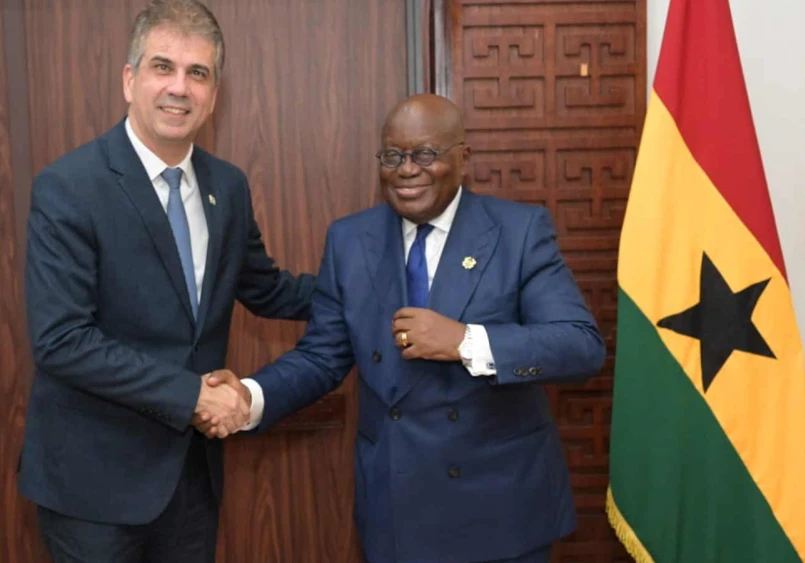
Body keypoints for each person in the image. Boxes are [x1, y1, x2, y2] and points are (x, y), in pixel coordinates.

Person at [209, 94, 606, 563]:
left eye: (425, 154)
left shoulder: (518, 232)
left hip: (499, 510)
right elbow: (322, 356)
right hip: (398, 509)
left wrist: (465, 340)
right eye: (393, 156)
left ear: (463, 158)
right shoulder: (350, 240)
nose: (406, 169)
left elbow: (580, 346)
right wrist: (249, 397)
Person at [17, 1, 315, 561]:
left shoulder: (226, 187)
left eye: (197, 73)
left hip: (190, 483)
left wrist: (367, 283)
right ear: (129, 80)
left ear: (214, 92)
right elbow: (62, 340)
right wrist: (192, 396)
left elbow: (268, 289)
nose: (180, 87)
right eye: (163, 67)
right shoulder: (70, 186)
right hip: (93, 491)